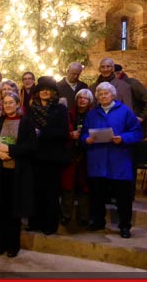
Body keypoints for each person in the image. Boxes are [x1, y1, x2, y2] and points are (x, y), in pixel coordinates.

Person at [81, 82, 143, 238]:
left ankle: (124, 226)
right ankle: (98, 222)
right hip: (98, 160)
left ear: (113, 95)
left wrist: (122, 138)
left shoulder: (125, 111)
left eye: (106, 93)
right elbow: (84, 134)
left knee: (123, 197)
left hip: (119, 160)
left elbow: (137, 133)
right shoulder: (92, 114)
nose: (103, 96)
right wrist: (86, 139)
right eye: (100, 94)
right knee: (97, 195)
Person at [0, 92, 36, 258]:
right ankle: (1, 243)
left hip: (18, 172)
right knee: (1, 209)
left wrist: (11, 151)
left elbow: (31, 147)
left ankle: (13, 245)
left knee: (14, 211)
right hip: (0, 170)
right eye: (5, 103)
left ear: (18, 104)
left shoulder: (25, 122)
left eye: (11, 102)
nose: (8, 106)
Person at [27, 76, 69, 235]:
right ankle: (35, 221)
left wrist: (42, 133)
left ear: (53, 92)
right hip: (35, 156)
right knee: (35, 191)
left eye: (48, 89)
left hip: (52, 156)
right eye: (42, 89)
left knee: (50, 193)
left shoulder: (60, 109)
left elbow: (63, 132)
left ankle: (50, 224)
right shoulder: (32, 109)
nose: (44, 91)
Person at [60, 89, 94, 227]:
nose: (82, 100)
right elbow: (62, 131)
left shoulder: (94, 115)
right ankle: (66, 216)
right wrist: (69, 134)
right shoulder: (68, 114)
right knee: (67, 186)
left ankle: (84, 217)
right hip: (70, 154)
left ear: (90, 100)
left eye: (85, 98)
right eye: (80, 97)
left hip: (88, 154)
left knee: (84, 188)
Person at [114, 64, 147, 135]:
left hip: (135, 128)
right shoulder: (111, 86)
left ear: (118, 73)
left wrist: (141, 117)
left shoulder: (132, 84)